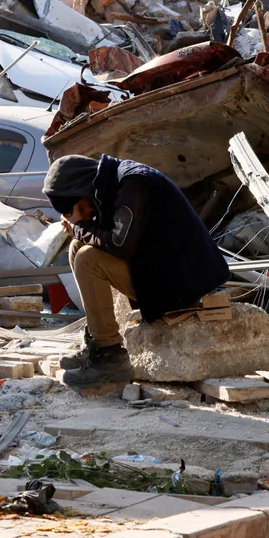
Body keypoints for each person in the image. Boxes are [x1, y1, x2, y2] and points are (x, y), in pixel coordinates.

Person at [42, 154, 231, 389]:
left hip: (183, 281)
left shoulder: (133, 183)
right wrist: (81, 228)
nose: (85, 211)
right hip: (159, 267)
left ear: (83, 189)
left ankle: (110, 356)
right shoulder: (110, 183)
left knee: (87, 258)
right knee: (77, 247)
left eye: (79, 205)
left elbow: (120, 245)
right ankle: (96, 343)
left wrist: (80, 227)